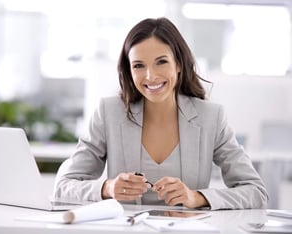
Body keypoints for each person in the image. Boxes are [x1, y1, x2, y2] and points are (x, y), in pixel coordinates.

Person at [53, 17, 268, 210]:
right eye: (139, 65)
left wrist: (197, 197)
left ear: (179, 64)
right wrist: (107, 188)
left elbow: (256, 192)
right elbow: (63, 186)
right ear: (129, 71)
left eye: (161, 62)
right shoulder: (109, 113)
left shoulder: (211, 117)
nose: (150, 76)